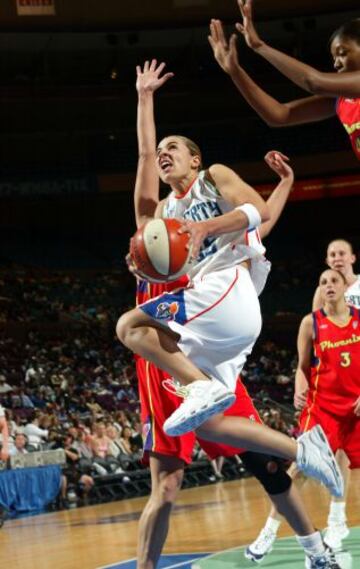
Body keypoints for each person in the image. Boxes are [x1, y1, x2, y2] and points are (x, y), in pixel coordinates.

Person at [126, 60, 341, 569]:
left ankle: (316, 548)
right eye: (161, 154)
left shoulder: (210, 190)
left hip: (206, 323)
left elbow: (255, 223)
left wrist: (281, 188)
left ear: (197, 159)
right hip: (176, 344)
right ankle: (303, 453)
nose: (162, 156)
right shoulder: (157, 220)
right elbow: (142, 154)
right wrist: (144, 98)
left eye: (173, 149)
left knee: (259, 462)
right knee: (174, 475)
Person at [245, 269, 360, 563]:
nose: (328, 286)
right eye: (322, 282)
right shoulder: (311, 323)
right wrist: (300, 387)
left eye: (334, 281)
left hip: (355, 409)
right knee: (298, 467)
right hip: (322, 408)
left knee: (344, 465)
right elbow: (301, 366)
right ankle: (268, 531)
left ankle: (336, 524)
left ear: (346, 286)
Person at [208, 3, 360, 159]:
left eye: (342, 53)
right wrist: (235, 72)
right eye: (334, 58)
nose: (336, 63)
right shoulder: (341, 100)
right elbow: (279, 116)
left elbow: (314, 82)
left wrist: (260, 46)